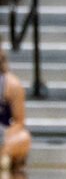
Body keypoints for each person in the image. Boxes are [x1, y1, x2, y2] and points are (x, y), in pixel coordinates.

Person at [0, 41, 31, 170]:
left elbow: (19, 122)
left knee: (23, 138)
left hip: (2, 134)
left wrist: (5, 136)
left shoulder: (12, 84)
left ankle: (4, 156)